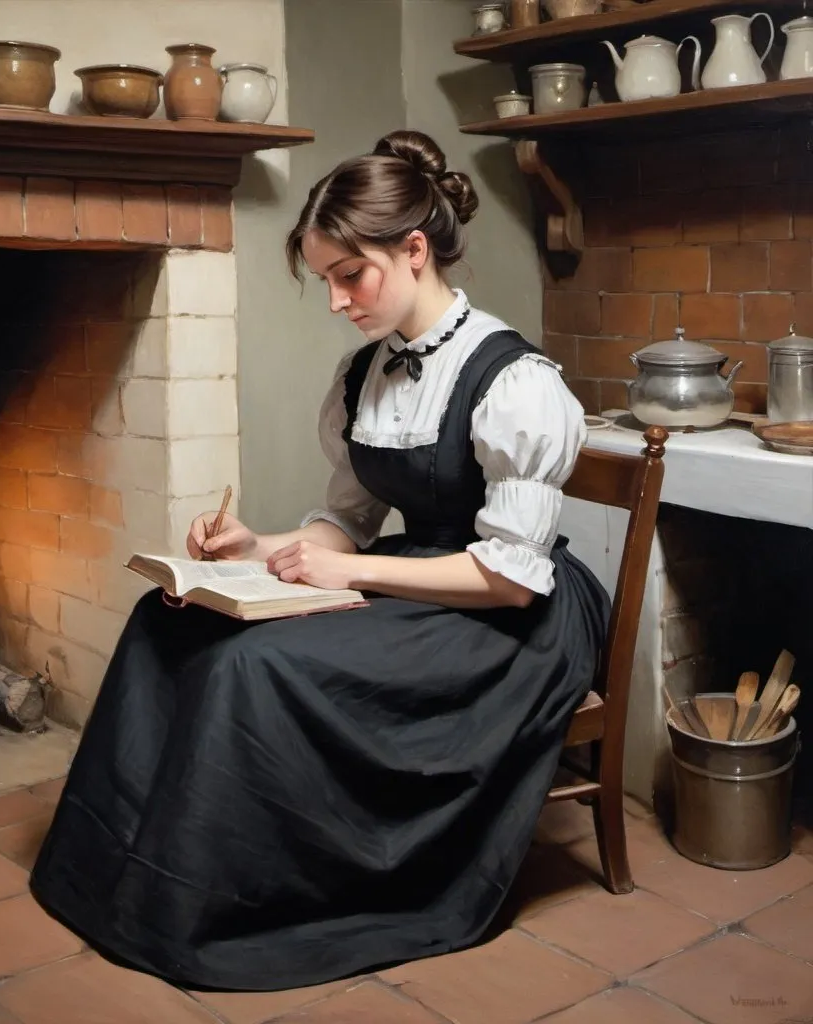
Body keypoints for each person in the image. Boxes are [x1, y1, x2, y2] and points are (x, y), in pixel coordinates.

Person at [30, 129, 610, 993]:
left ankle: (220, 906)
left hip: (508, 618)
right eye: (326, 280)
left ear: (414, 251)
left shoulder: (515, 381)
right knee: (167, 620)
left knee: (256, 665)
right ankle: (113, 870)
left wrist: (353, 573)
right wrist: (258, 548)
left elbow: (508, 577)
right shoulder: (363, 375)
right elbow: (346, 520)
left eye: (351, 275)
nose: (338, 301)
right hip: (413, 577)